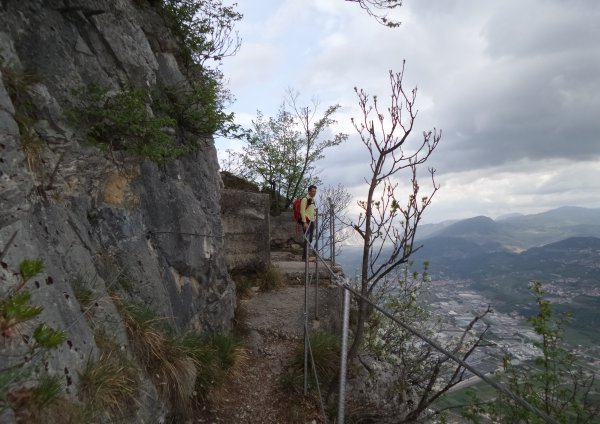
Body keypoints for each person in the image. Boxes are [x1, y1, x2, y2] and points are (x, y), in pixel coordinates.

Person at [300, 185, 317, 261]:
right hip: (306, 221)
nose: (314, 192)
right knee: (307, 239)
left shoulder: (312, 200)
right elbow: (302, 211)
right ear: (309, 191)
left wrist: (317, 216)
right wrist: (304, 222)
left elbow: (311, 211)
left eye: (315, 191)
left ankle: (306, 256)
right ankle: (304, 257)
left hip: (312, 221)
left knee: (310, 239)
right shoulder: (305, 199)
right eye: (313, 191)